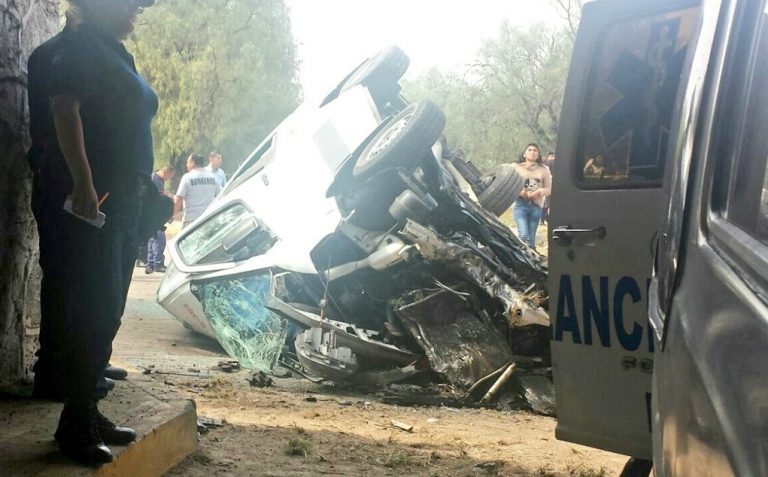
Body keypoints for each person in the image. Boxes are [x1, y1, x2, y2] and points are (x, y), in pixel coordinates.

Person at [26, 0, 157, 465]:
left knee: (111, 306)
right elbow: (64, 110)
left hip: (126, 197)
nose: (136, 12)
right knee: (94, 304)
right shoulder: (78, 49)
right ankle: (74, 422)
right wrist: (82, 182)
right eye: (127, 5)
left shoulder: (116, 53)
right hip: (95, 200)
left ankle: (89, 408)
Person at [512, 143, 552, 249]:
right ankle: (520, 256)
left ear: (538, 155)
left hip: (536, 206)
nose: (532, 152)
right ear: (524, 154)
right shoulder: (515, 168)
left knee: (530, 239)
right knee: (523, 235)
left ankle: (532, 261)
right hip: (521, 205)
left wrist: (539, 191)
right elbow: (510, 185)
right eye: (529, 150)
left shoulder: (544, 169)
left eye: (535, 150)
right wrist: (521, 192)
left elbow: (549, 189)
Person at [175, 153, 221, 228]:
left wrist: (172, 215)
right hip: (209, 218)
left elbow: (179, 198)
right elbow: (221, 194)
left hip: (191, 219)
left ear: (193, 163)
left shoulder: (187, 177)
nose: (186, 165)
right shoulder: (212, 177)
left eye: (188, 162)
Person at [145, 165, 175, 274]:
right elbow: (161, 197)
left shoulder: (155, 179)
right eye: (170, 176)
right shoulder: (156, 180)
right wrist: (170, 197)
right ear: (166, 173)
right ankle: (158, 264)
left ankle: (150, 264)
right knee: (159, 239)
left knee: (153, 239)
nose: (169, 179)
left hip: (152, 215)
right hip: (156, 215)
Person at [541, 152, 555, 224]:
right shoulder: (558, 162)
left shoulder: (547, 164)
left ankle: (545, 220)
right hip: (557, 184)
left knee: (547, 204)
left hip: (548, 185)